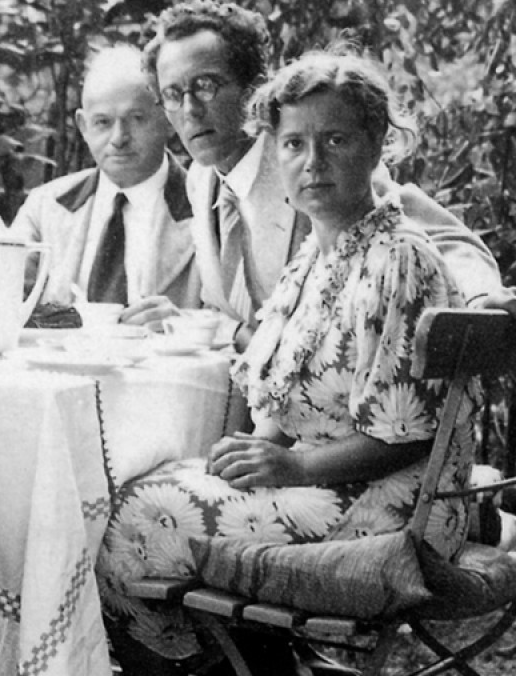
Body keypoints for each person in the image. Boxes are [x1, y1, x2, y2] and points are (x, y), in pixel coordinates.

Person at [96, 50, 481, 675]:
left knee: (138, 524)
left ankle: (237, 668)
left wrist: (291, 464)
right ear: (274, 154)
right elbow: (285, 391)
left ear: (378, 143)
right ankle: (253, 667)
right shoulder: (317, 257)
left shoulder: (398, 258)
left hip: (393, 509)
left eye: (335, 140)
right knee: (136, 496)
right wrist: (256, 453)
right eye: (295, 144)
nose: (314, 162)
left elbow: (405, 436)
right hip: (327, 485)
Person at [140, 0, 502, 347]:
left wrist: (482, 300)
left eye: (205, 85)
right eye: (173, 94)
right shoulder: (200, 181)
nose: (189, 109)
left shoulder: (312, 168)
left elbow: (438, 239)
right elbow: (230, 308)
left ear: (252, 86)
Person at [11, 44, 199, 319]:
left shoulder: (207, 208)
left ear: (168, 119)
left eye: (136, 119)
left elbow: (242, 322)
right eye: (102, 122)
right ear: (83, 126)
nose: (119, 138)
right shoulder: (46, 208)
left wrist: (183, 325)